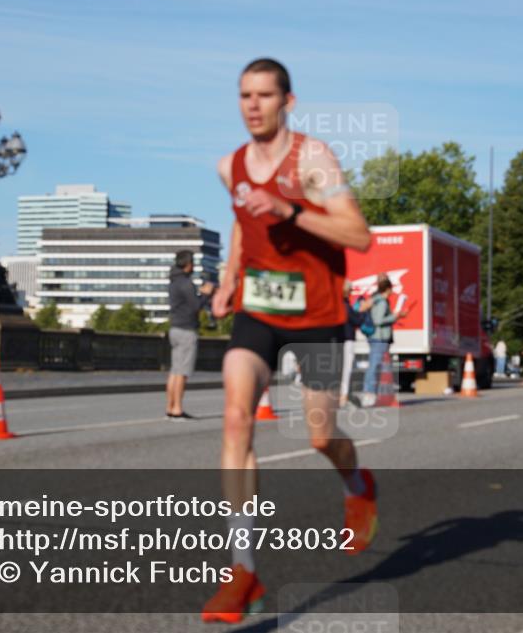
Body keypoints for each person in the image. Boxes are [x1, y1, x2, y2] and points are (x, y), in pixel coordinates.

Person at [203, 58, 376, 624]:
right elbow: (239, 220)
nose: (253, 105)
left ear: (288, 102)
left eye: (264, 95)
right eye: (244, 95)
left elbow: (359, 234)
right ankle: (243, 569)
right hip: (260, 309)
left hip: (320, 313)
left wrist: (290, 210)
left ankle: (357, 483)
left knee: (321, 436)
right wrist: (230, 278)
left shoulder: (314, 159)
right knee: (235, 417)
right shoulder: (230, 166)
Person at [166, 250, 214, 420]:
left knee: (174, 370)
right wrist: (206, 294)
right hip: (186, 329)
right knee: (182, 372)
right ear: (188, 264)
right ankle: (178, 409)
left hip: (174, 328)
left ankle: (170, 407)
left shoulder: (174, 281)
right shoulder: (186, 283)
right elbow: (195, 306)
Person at [361, 273, 409, 407]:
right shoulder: (381, 302)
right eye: (391, 289)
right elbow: (378, 320)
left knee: (375, 365)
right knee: (375, 365)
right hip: (379, 337)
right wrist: (395, 316)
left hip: (376, 337)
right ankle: (369, 393)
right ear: (387, 289)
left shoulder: (376, 299)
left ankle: (372, 393)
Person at [340, 279, 373, 407]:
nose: (351, 293)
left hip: (342, 339)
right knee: (346, 369)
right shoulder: (344, 304)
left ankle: (345, 394)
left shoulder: (341, 303)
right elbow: (356, 320)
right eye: (350, 290)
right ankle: (344, 396)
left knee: (345, 369)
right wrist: (364, 310)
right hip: (346, 339)